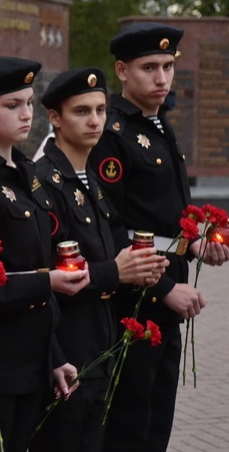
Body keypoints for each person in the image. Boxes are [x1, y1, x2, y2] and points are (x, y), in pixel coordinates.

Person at [88, 22, 229, 452]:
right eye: (150, 67)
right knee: (129, 422)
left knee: (156, 417)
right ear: (123, 71)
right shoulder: (110, 132)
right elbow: (107, 226)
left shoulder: (159, 126)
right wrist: (166, 289)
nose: (162, 78)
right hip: (135, 298)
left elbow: (164, 218)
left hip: (168, 292)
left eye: (168, 66)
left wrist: (198, 244)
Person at [0, 56, 87, 452]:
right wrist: (49, 281)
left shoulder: (25, 170)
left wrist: (54, 357)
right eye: (12, 105)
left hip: (34, 361)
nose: (27, 114)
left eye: (28, 102)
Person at [29, 67, 167, 452]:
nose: (95, 121)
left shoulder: (90, 179)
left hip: (100, 350)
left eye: (101, 110)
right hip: (68, 354)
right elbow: (47, 279)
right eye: (81, 111)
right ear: (54, 118)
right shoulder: (45, 184)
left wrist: (139, 269)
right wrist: (116, 271)